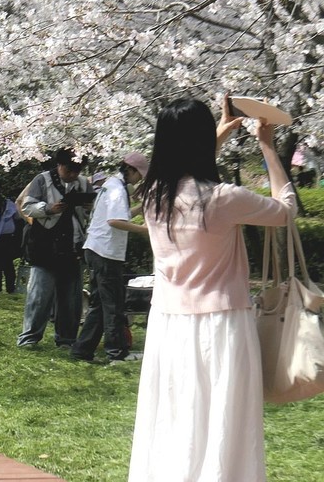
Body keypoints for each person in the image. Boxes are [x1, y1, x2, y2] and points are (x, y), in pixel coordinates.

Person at [129, 99, 295, 482]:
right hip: (223, 322)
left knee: (173, 416)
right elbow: (285, 210)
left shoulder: (152, 196)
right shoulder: (224, 198)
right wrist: (267, 146)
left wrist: (221, 131)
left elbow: (185, 170)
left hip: (169, 323)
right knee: (224, 417)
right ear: (202, 141)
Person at [71, 152, 149, 363]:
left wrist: (141, 208)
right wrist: (145, 230)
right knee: (113, 303)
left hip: (96, 249)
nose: (138, 180)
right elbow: (115, 221)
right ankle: (117, 352)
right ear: (130, 170)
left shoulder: (111, 185)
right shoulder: (117, 189)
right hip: (105, 252)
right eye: (138, 175)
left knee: (99, 304)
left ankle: (82, 350)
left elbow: (121, 216)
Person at [17, 148, 91, 348]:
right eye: (69, 170)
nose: (73, 175)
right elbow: (26, 206)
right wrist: (48, 208)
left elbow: (87, 213)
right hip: (45, 245)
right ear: (59, 165)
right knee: (40, 296)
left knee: (71, 299)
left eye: (77, 171)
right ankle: (29, 338)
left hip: (73, 245)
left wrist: (88, 207)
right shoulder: (42, 180)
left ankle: (67, 339)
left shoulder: (83, 183)